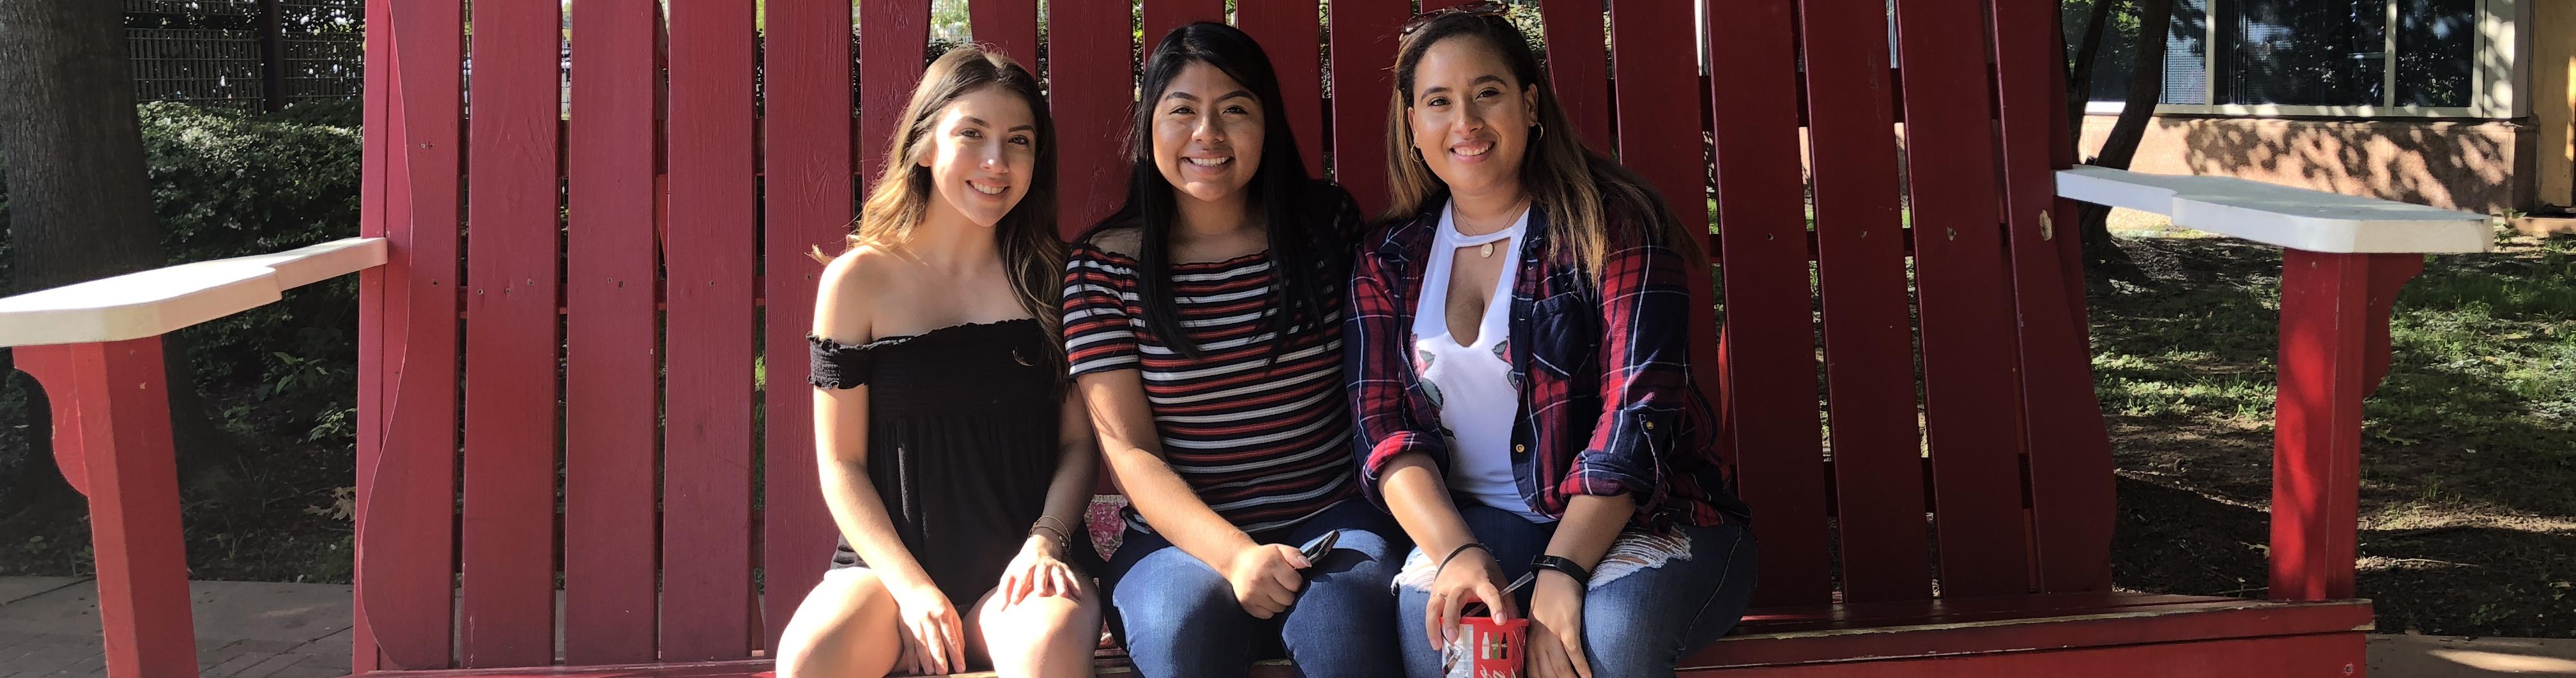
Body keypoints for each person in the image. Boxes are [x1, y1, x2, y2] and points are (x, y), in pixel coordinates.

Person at [1347, 5, 1758, 677]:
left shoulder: (1612, 227)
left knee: (1607, 636)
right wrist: (1455, 551)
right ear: (1413, 125)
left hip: (1649, 520)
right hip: (1480, 527)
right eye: (1439, 102)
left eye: (1488, 93)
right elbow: (1381, 429)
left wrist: (1562, 568)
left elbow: (1639, 416)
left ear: (1530, 105)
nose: (1466, 122)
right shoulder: (1388, 260)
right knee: (1448, 629)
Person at [1064, 22, 1404, 678]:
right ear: (1149, 127)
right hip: (1176, 538)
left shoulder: (1324, 230)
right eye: (1182, 110)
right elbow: (1130, 450)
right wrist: (1235, 554)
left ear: (1269, 124)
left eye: (1235, 110)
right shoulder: (1103, 268)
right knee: (1178, 634)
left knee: (1346, 636)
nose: (1208, 135)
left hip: (1332, 519)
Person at [775, 47, 1101, 678]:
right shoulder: (856, 282)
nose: (996, 161)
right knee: (808, 657)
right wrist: (911, 588)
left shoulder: (1054, 279)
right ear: (924, 144)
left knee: (1047, 650)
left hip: (1023, 568)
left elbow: (1078, 446)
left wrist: (1046, 540)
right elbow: (839, 463)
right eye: (972, 134)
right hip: (886, 571)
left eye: (1019, 141)